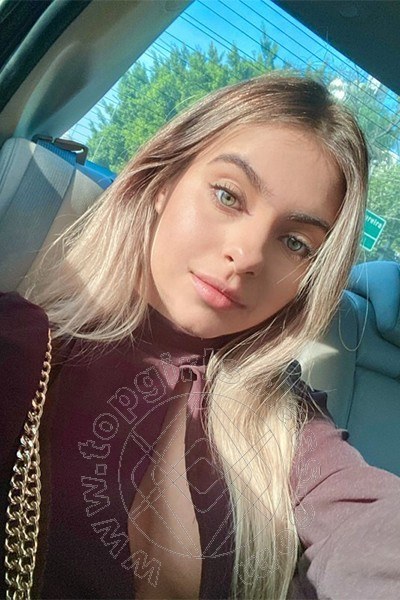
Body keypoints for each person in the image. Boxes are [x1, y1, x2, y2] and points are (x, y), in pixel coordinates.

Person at [1, 74, 399, 600]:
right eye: (228, 196)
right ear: (163, 180)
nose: (248, 255)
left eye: (295, 243)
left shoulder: (288, 418)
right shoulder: (25, 343)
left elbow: (369, 523)